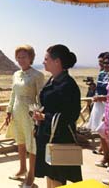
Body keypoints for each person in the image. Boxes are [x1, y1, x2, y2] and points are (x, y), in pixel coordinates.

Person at [33, 44, 82, 188]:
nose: (43, 62)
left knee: (58, 176)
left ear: (57, 62)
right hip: (48, 135)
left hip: (60, 137)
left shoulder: (68, 85)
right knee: (50, 174)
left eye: (46, 59)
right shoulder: (54, 79)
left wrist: (44, 117)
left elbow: (71, 114)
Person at [5, 45, 44, 188]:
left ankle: (31, 176)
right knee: (20, 142)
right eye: (18, 57)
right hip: (17, 112)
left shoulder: (37, 75)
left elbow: (41, 97)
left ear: (31, 58)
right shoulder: (16, 74)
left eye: (24, 57)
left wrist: (38, 114)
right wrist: (8, 111)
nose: (21, 60)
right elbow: (13, 94)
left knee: (31, 144)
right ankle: (22, 169)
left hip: (30, 114)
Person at [87, 52, 109, 157]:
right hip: (99, 102)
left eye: (105, 62)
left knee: (103, 129)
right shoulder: (101, 73)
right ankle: (104, 151)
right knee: (101, 129)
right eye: (101, 62)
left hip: (105, 103)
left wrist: (102, 98)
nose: (103, 64)